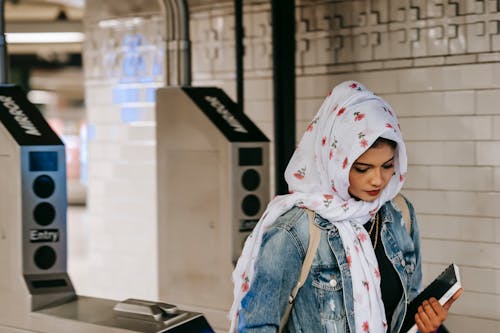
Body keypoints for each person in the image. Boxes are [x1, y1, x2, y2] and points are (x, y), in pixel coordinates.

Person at [229, 81, 462, 333]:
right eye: (362, 168)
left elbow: (405, 310)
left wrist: (427, 324)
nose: (378, 180)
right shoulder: (295, 232)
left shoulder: (399, 214)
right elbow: (256, 326)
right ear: (335, 163)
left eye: (387, 165)